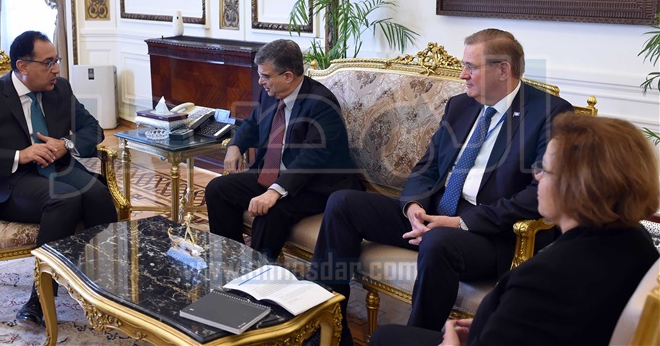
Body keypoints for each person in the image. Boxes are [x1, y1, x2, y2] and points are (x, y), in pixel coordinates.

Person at [307, 28, 574, 344]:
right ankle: (328, 329)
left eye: (471, 67)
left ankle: (416, 339)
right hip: (435, 213)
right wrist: (414, 207)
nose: (462, 75)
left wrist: (460, 223)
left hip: (490, 233)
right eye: (464, 65)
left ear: (503, 69)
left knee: (439, 242)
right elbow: (428, 166)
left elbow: (538, 193)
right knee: (343, 203)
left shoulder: (550, 113)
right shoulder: (460, 106)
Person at [369, 114, 659, 345]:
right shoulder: (639, 242)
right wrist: (496, 323)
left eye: (544, 169)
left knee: (386, 337)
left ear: (576, 187)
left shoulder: (544, 277)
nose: (537, 177)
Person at [0, 31, 119, 329]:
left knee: (99, 194)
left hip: (59, 169)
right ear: (23, 66)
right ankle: (40, 297)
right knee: (64, 200)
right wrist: (19, 155)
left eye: (56, 61)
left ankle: (101, 286)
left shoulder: (60, 89)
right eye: (48, 63)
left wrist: (66, 144)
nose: (56, 69)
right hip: (11, 182)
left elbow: (93, 129)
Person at [205, 39, 362, 260]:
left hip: (316, 185)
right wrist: (235, 146)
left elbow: (312, 158)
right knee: (218, 189)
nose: (260, 81)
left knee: (271, 212)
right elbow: (252, 123)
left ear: (288, 76)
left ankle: (255, 273)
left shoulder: (321, 104)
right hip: (275, 174)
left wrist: (274, 192)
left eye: (266, 76)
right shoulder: (270, 94)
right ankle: (230, 262)